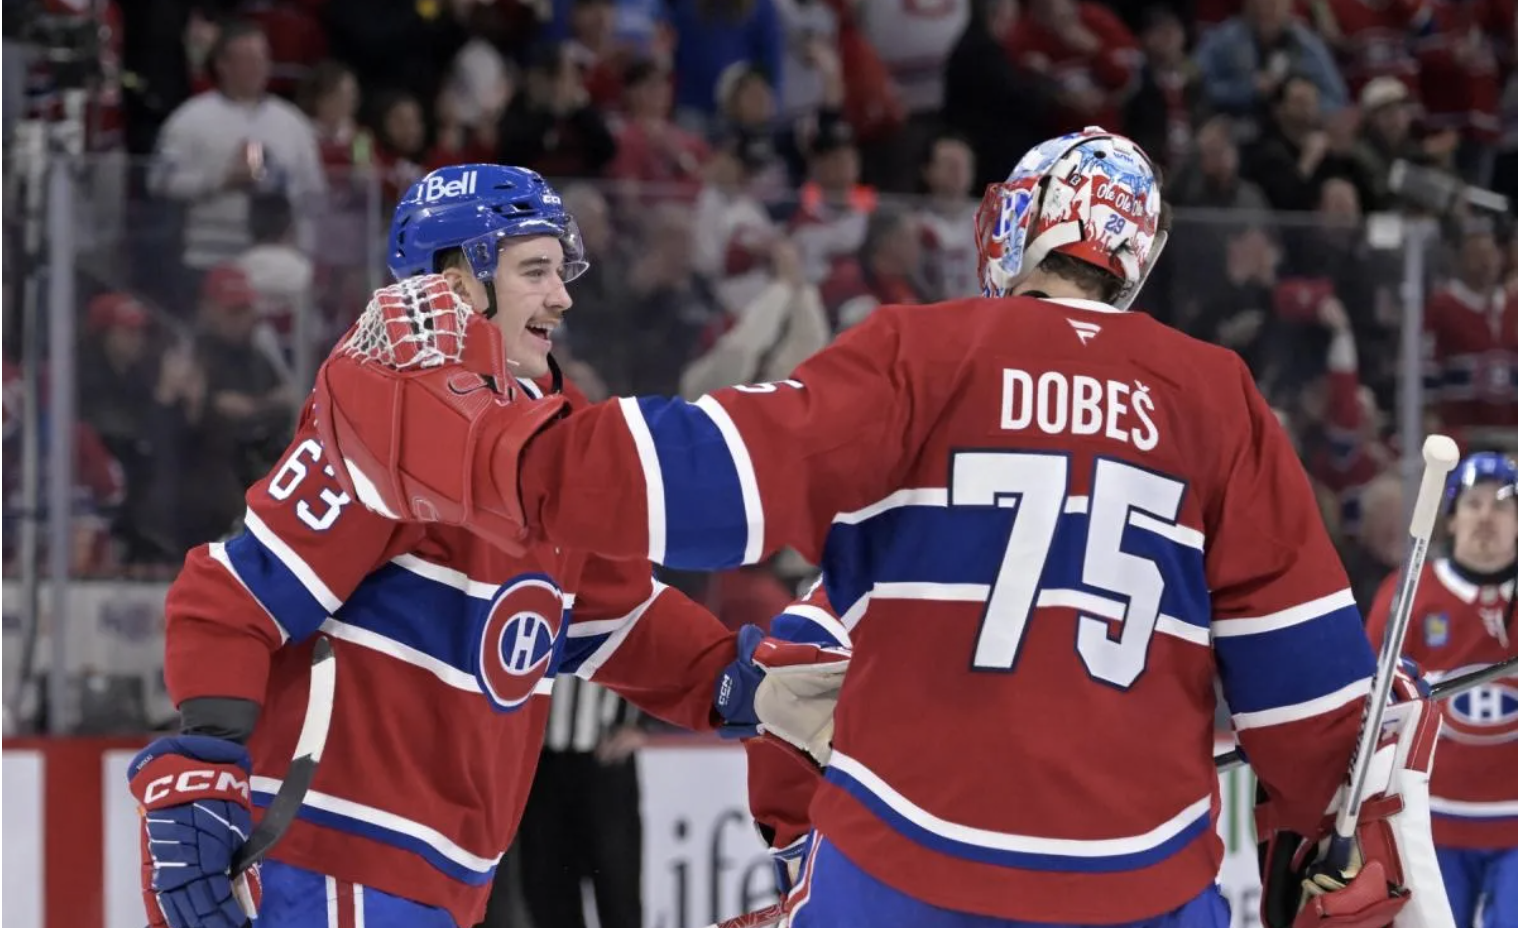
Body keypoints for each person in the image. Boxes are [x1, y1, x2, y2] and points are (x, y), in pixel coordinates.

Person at [307, 133, 1450, 928]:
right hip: (1144, 883)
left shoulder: (926, 351)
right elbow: (1317, 721)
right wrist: (1317, 827)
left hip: (906, 874)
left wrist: (484, 442)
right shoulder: (1220, 398)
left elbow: (701, 489)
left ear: (1018, 228)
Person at [125, 164, 845, 928]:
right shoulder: (390, 401)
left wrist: (739, 684)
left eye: (561, 271)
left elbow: (615, 615)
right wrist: (202, 766)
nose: (562, 296)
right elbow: (228, 598)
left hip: (440, 884)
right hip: (326, 864)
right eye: (534, 270)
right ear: (456, 279)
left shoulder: (543, 430)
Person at [1366, 452, 1518, 928]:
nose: (1487, 517)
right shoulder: (1409, 594)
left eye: (1502, 505)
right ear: (1452, 519)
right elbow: (1368, 699)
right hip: (1428, 824)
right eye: (1473, 504)